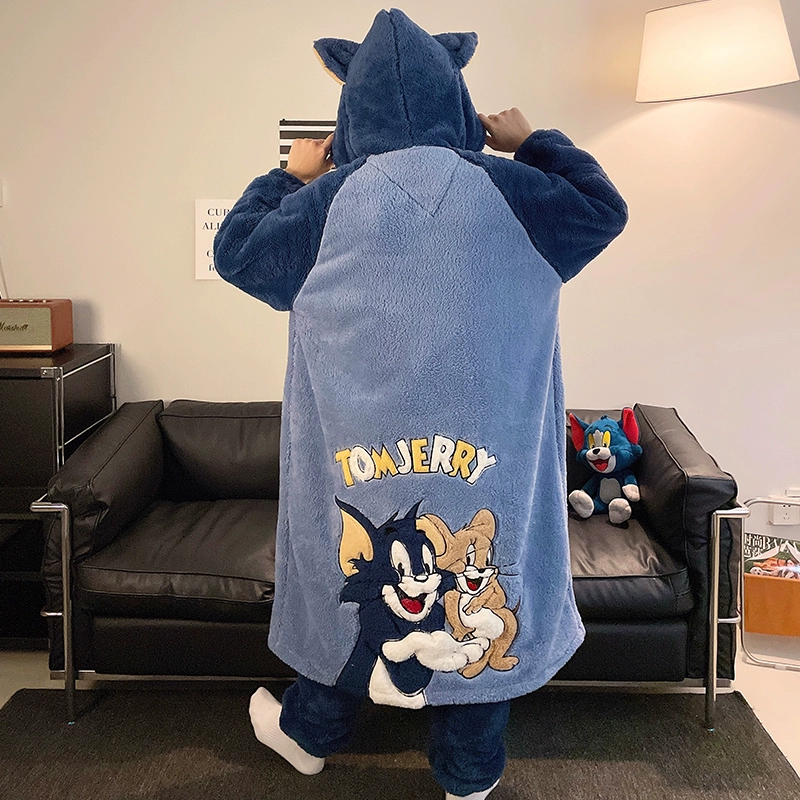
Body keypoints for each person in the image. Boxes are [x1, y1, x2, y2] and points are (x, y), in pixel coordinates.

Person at [214, 10, 627, 800]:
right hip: (489, 454)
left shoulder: (326, 203)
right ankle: (468, 775)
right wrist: (533, 142)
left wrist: (288, 177)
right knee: (481, 586)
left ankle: (309, 733)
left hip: (361, 456)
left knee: (361, 588)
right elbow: (603, 208)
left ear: (350, 111)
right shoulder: (514, 191)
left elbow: (237, 252)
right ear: (457, 100)